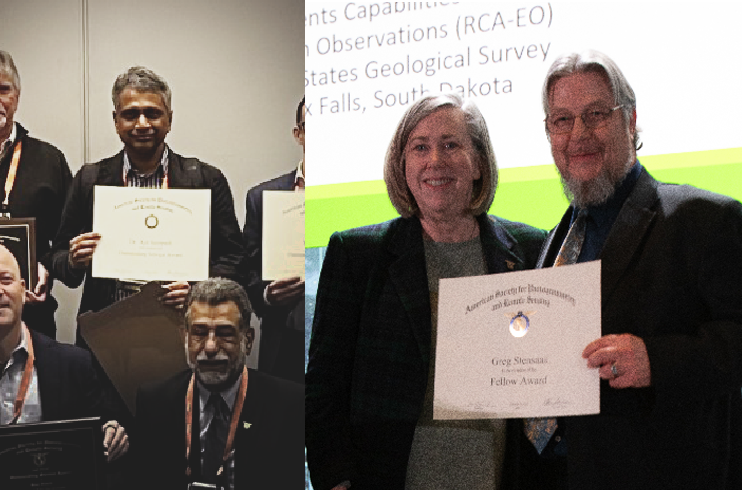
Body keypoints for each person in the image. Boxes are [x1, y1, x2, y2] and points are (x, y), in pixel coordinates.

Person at [504, 50, 742, 490]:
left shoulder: (703, 219)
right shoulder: (553, 240)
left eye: (595, 114)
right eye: (562, 120)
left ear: (630, 120)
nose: (578, 134)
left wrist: (655, 359)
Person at [306, 94, 547, 489]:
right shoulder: (359, 256)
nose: (435, 160)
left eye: (451, 145)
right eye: (420, 147)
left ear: (478, 163)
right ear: (402, 165)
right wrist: (335, 479)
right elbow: (323, 388)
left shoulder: (532, 250)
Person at [51, 66, 245, 341]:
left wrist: (197, 288)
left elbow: (234, 260)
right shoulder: (90, 179)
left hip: (181, 330)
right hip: (108, 330)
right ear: (116, 120)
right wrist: (73, 260)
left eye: (152, 113)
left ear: (169, 119)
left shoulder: (206, 179)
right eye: (131, 114)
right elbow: (59, 259)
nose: (142, 124)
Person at [132, 277, 303, 489]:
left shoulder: (289, 405)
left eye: (225, 333)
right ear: (185, 338)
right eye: (199, 333)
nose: (211, 347)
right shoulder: (154, 402)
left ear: (248, 340)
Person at [0, 241, 130, 462]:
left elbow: (105, 429)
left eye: (5, 279)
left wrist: (112, 433)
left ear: (23, 290)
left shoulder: (75, 365)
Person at [0, 48, 73, 341]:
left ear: (17, 97)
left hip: (32, 318)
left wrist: (47, 268)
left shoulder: (49, 160)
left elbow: (68, 240)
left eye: (3, 89)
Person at [243, 96, 307, 384]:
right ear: (298, 133)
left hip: (341, 339)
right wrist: (268, 295)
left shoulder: (358, 197)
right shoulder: (262, 197)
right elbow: (247, 271)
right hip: (284, 341)